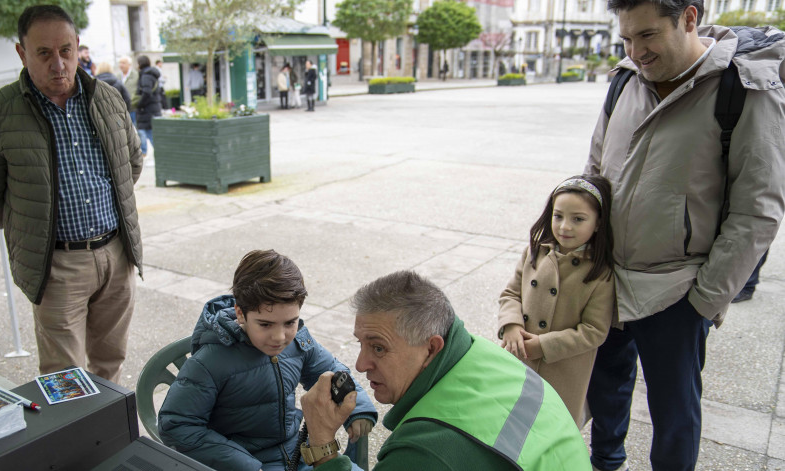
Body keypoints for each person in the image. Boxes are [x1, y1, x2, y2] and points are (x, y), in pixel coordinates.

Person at [584, 0, 785, 469]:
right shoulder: (623, 81)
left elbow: (758, 210)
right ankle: (604, 465)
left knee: (674, 415)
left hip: (677, 292)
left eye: (648, 35)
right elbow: (594, 171)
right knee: (605, 392)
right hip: (606, 280)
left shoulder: (745, 90)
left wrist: (703, 301)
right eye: (626, 39)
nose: (636, 51)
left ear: (689, 18)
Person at [0, 5, 144, 384]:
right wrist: (34, 223)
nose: (58, 63)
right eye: (43, 53)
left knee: (111, 362)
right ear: (22, 53)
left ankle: (107, 439)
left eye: (65, 50)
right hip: (56, 264)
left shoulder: (107, 99)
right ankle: (77, 442)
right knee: (64, 377)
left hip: (116, 253)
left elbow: (132, 165)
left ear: (77, 46)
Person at [301, 270, 590, 470]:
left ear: (431, 348)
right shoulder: (485, 355)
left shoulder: (425, 451)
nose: (361, 365)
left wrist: (323, 445)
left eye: (378, 348)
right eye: (360, 344)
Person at [158, 250, 377, 471]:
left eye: (290, 322)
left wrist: (358, 408)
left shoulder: (298, 341)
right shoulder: (209, 362)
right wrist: (245, 465)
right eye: (265, 324)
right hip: (246, 462)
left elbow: (332, 371)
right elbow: (177, 425)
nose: (280, 337)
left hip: (300, 454)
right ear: (240, 314)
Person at [497, 175, 616, 428]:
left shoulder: (600, 273)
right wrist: (510, 325)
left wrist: (544, 345)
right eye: (558, 216)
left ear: (597, 224)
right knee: (509, 423)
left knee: (550, 430)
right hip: (519, 357)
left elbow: (594, 331)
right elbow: (511, 294)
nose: (564, 227)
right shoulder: (535, 252)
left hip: (563, 371)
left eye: (578, 219)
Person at [134, 55, 163, 160]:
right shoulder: (151, 74)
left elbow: (147, 92)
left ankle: (158, 157)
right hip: (153, 109)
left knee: (150, 135)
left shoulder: (146, 75)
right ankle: (155, 156)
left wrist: (139, 104)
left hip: (148, 110)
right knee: (149, 134)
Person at [118, 55, 139, 125]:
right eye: (120, 63)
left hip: (132, 108)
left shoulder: (135, 75)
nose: (121, 65)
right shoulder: (117, 76)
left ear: (129, 64)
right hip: (120, 109)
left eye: (123, 63)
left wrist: (133, 101)